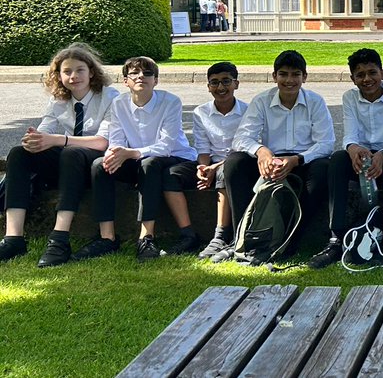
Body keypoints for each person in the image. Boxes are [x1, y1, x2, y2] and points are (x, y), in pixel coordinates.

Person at [0, 43, 119, 267]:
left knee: (71, 152)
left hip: (94, 167)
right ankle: (13, 238)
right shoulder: (59, 99)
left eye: (79, 70)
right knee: (18, 153)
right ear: (59, 75)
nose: (73, 76)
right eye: (67, 71)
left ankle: (59, 239)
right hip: (66, 165)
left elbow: (103, 141)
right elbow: (46, 129)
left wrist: (58, 140)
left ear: (91, 72)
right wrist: (34, 139)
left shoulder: (109, 97)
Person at [82, 57, 198, 262]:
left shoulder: (170, 102)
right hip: (134, 156)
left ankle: (146, 238)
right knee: (100, 165)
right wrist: (113, 155)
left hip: (174, 157)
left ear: (156, 80)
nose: (141, 77)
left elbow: (166, 146)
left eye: (147, 73)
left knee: (149, 162)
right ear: (125, 81)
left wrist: (131, 153)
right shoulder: (119, 104)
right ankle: (107, 237)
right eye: (134, 73)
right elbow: (116, 140)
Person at [224, 50, 335, 261]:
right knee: (234, 163)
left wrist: (297, 160)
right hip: (270, 161)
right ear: (274, 77)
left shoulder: (315, 102)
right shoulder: (262, 101)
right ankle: (242, 235)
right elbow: (241, 138)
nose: (289, 80)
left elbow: (326, 143)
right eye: (283, 74)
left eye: (295, 74)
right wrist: (261, 152)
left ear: (305, 77)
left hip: (302, 160)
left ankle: (292, 239)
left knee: (324, 168)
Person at [310, 48, 383, 269]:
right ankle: (336, 238)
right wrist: (352, 149)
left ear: (382, 73)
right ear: (352, 79)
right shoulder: (349, 97)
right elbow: (349, 135)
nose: (367, 79)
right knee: (337, 159)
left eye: (372, 72)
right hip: (362, 160)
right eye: (360, 75)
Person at [184, 61, 247, 261]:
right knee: (173, 173)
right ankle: (185, 235)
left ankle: (221, 235)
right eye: (215, 83)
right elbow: (203, 148)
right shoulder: (201, 113)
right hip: (213, 163)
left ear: (236, 84)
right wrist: (203, 168)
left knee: (225, 170)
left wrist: (215, 167)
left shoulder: (248, 111)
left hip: (240, 163)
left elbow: (246, 146)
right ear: (208, 86)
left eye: (226, 81)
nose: (221, 88)